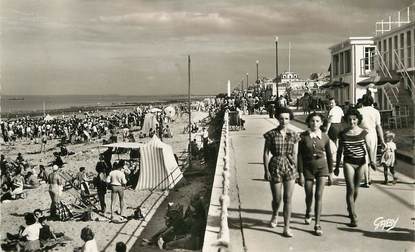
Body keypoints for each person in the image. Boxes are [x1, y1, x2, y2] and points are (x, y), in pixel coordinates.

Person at [334, 108, 376, 227]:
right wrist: (337, 167)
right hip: (348, 163)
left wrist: (372, 161)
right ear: (346, 120)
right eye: (349, 120)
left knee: (356, 189)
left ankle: (350, 205)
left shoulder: (364, 132)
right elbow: (339, 151)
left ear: (358, 120)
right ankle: (353, 216)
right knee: (350, 188)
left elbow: (369, 147)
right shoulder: (343, 134)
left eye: (354, 119)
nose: (352, 122)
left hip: (361, 163)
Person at [263, 107, 299, 237]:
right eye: (282, 118)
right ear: (278, 118)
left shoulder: (294, 135)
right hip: (275, 165)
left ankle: (286, 227)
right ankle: (275, 214)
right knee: (277, 199)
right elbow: (266, 153)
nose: (284, 121)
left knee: (288, 199)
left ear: (290, 119)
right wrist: (266, 170)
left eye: (287, 118)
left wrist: (297, 170)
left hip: (290, 166)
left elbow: (295, 153)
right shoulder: (271, 134)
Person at [297, 113, 333, 236]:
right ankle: (308, 211)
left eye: (317, 121)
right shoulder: (303, 136)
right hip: (307, 168)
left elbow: (329, 156)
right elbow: (300, 155)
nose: (314, 123)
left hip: (322, 168)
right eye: (312, 121)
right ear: (309, 122)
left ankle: (317, 224)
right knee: (309, 194)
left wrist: (330, 173)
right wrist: (300, 173)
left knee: (318, 195)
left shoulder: (325, 137)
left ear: (321, 123)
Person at [358, 94, 386, 187]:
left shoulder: (359, 111)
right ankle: (368, 178)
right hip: (373, 135)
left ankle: (366, 180)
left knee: (364, 158)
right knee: (371, 158)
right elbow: (378, 126)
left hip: (361, 134)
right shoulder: (376, 112)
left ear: (362, 101)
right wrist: (382, 140)